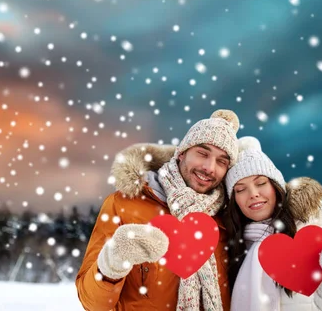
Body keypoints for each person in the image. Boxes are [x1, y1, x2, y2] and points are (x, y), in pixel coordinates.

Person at [76, 109, 240, 311]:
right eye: (202, 153)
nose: (209, 167)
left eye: (221, 161)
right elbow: (92, 303)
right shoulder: (123, 204)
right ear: (181, 154)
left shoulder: (228, 216)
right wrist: (113, 261)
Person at [223, 136, 322, 310]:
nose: (253, 193)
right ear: (234, 201)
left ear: (276, 187)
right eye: (240, 189)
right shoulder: (235, 250)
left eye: (261, 183)